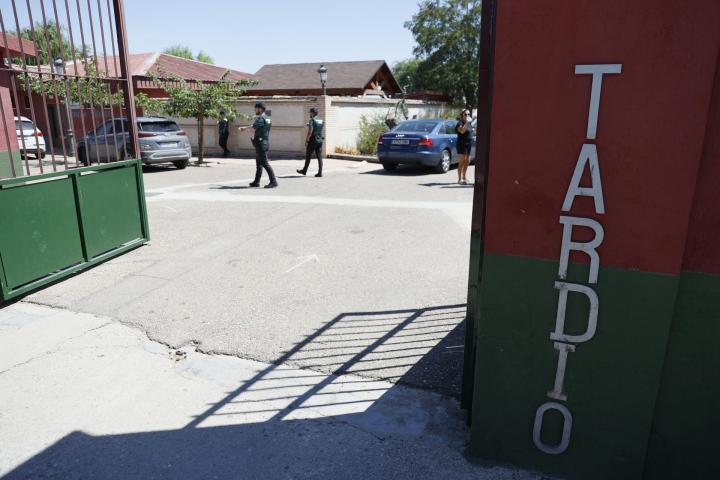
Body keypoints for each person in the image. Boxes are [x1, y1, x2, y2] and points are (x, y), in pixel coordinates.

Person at [238, 102, 278, 188]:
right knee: (259, 163)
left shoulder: (260, 118)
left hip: (261, 143)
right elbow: (261, 126)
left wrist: (245, 129)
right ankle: (256, 182)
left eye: (255, 109)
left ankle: (273, 181)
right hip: (264, 142)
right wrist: (246, 128)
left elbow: (253, 128)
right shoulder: (267, 116)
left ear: (260, 109)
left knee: (264, 163)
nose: (255, 110)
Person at [297, 107, 324, 177]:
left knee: (308, 155)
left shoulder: (312, 120)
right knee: (319, 157)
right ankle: (320, 173)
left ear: (312, 113)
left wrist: (307, 140)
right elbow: (318, 127)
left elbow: (310, 131)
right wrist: (309, 124)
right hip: (320, 140)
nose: (310, 114)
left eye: (310, 113)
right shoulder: (321, 120)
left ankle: (304, 171)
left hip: (313, 140)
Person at [455, 109, 473, 184]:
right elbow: (462, 131)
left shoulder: (469, 124)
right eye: (465, 114)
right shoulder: (460, 123)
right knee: (462, 162)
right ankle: (460, 179)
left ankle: (464, 177)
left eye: (468, 114)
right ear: (462, 115)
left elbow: (471, 132)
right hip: (461, 144)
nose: (467, 116)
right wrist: (467, 122)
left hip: (468, 145)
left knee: (467, 161)